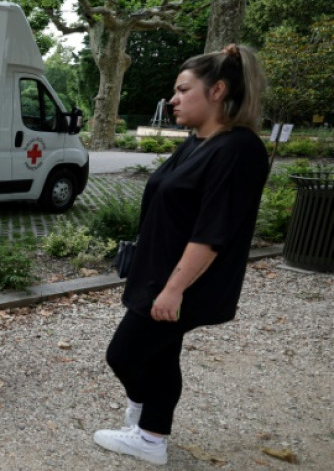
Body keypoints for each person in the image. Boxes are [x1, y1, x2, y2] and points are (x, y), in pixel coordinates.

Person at [92, 44, 270, 466]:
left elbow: (212, 233)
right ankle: (150, 432)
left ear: (217, 91)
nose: (172, 99)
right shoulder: (197, 142)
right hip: (158, 271)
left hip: (183, 281)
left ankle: (146, 429)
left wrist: (173, 290)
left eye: (182, 89)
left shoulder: (238, 150)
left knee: (124, 354)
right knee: (160, 353)